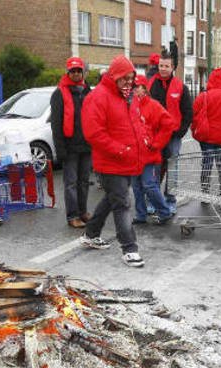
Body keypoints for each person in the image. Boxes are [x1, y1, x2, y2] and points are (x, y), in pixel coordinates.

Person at [80, 55, 145, 268]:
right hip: (110, 162)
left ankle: (90, 234)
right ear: (114, 76)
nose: (128, 82)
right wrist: (119, 149)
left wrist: (142, 141)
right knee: (123, 203)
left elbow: (134, 123)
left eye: (131, 77)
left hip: (126, 160)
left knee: (111, 199)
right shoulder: (98, 97)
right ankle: (129, 248)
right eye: (124, 78)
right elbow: (93, 133)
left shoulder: (128, 96)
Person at [50, 56, 93, 228]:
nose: (76, 73)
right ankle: (72, 216)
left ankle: (83, 211)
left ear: (83, 72)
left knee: (84, 182)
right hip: (69, 147)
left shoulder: (88, 91)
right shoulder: (59, 94)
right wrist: (60, 149)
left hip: (86, 145)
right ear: (67, 72)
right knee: (71, 184)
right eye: (72, 71)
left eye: (78, 70)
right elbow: (56, 124)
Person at [149, 54, 193, 213]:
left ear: (172, 67)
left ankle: (170, 200)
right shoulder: (151, 84)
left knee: (173, 169)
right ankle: (154, 201)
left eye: (166, 66)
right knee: (156, 169)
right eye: (161, 66)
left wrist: (180, 132)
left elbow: (188, 112)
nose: (163, 69)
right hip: (155, 135)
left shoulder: (181, 87)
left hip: (173, 136)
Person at [129, 75, 174, 225]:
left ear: (145, 88)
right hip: (134, 154)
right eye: (133, 87)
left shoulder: (154, 105)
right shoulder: (130, 105)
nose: (134, 90)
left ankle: (164, 212)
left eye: (137, 87)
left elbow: (168, 124)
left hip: (149, 154)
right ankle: (141, 215)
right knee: (136, 186)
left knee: (149, 185)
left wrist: (156, 143)